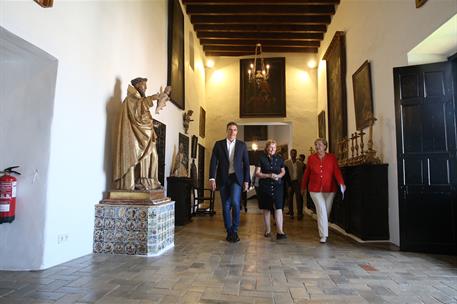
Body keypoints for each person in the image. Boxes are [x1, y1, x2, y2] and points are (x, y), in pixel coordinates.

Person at [113, 77, 171, 190]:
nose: (146, 88)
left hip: (147, 135)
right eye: (144, 85)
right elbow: (137, 111)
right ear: (138, 85)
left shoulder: (139, 100)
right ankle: (142, 181)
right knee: (145, 157)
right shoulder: (130, 100)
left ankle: (152, 180)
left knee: (154, 156)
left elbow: (144, 117)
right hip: (137, 137)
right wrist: (152, 98)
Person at [209, 122, 250, 242]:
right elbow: (213, 162)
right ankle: (229, 231)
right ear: (226, 131)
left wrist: (246, 180)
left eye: (235, 130)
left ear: (237, 132)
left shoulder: (242, 145)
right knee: (225, 205)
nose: (232, 132)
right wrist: (212, 178)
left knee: (235, 202)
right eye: (230, 129)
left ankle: (235, 230)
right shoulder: (219, 144)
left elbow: (246, 164)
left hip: (236, 178)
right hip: (223, 178)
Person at [301, 138, 346, 243]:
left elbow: (337, 172)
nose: (317, 147)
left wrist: (341, 183)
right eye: (316, 144)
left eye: (320, 144)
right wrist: (303, 187)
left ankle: (324, 231)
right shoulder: (311, 158)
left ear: (325, 146)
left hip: (330, 189)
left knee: (326, 211)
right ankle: (323, 235)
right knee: (321, 210)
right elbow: (306, 174)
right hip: (314, 189)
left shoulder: (332, 158)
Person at [255, 140, 287, 240]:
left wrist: (278, 176)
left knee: (278, 207)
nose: (272, 149)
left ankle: (280, 231)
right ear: (267, 147)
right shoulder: (261, 158)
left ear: (276, 148)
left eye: (274, 147)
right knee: (267, 208)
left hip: (278, 185)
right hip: (265, 186)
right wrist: (269, 175)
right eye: (270, 147)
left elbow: (283, 171)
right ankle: (268, 230)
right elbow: (257, 173)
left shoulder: (280, 158)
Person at [284, 149, 305, 219]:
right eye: (292, 153)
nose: (293, 155)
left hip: (297, 182)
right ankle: (291, 213)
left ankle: (299, 213)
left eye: (294, 153)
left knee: (299, 198)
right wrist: (287, 184)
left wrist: (302, 183)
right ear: (290, 154)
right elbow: (285, 174)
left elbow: (302, 173)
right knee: (290, 198)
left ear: (296, 154)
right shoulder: (286, 162)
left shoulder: (300, 163)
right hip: (289, 182)